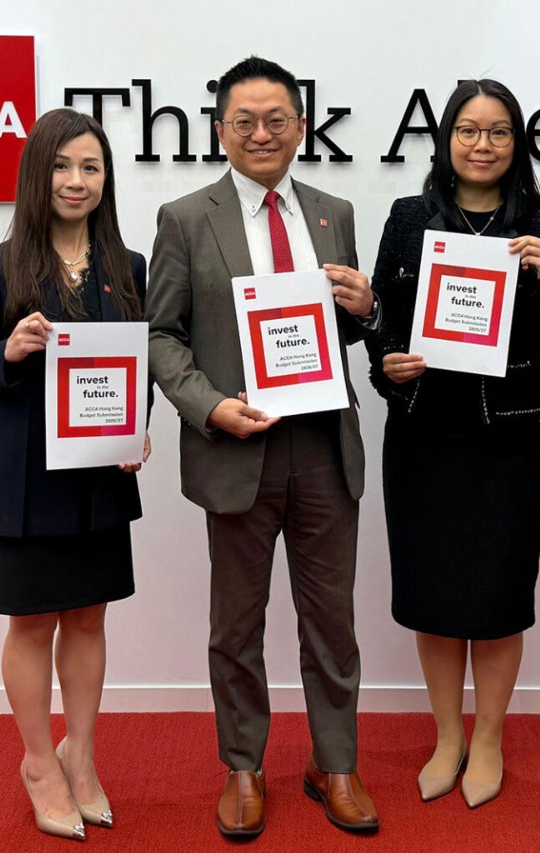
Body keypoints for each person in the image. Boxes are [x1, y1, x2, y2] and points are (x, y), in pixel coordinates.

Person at [147, 56, 380, 838]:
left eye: (276, 119)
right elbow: (161, 335)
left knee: (332, 622)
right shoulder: (186, 218)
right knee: (236, 626)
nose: (260, 133)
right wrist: (208, 406)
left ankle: (335, 763)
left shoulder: (334, 212)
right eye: (244, 121)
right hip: (236, 451)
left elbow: (340, 332)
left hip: (324, 450)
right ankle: (243, 765)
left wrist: (366, 306)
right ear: (220, 130)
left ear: (300, 127)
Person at [365, 79, 540, 809]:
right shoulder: (408, 217)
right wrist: (387, 365)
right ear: (447, 139)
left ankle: (488, 738)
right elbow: (380, 320)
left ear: (518, 144)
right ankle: (447, 735)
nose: (483, 145)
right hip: (422, 436)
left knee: (500, 597)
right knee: (433, 594)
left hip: (505, 439)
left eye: (499, 132)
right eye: (469, 131)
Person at [0, 108, 149, 842]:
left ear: (105, 179)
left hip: (99, 474)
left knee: (91, 616)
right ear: (38, 174)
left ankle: (82, 754)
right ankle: (39, 762)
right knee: (32, 621)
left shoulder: (128, 267)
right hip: (26, 479)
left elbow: (139, 364)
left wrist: (135, 428)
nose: (76, 180)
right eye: (63, 166)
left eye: (91, 167)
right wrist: (7, 350)